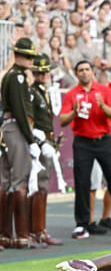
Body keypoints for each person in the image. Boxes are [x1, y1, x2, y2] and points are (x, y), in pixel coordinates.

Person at [59, 61, 111, 243]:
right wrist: (74, 112)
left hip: (104, 140)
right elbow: (62, 120)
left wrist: (103, 107)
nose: (84, 73)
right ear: (77, 74)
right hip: (83, 141)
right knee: (82, 183)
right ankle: (82, 223)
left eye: (87, 69)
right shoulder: (72, 94)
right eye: (81, 70)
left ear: (92, 72)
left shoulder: (104, 90)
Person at [0, 37, 40, 249]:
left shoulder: (12, 76)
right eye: (29, 56)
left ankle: (6, 234)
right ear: (19, 55)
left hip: (9, 127)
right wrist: (30, 138)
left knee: (5, 181)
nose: (31, 60)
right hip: (16, 128)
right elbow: (20, 111)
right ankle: (21, 234)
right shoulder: (17, 78)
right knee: (19, 181)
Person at [28, 54, 63, 246]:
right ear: (34, 73)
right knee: (38, 186)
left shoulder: (43, 91)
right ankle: (37, 230)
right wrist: (38, 142)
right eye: (40, 72)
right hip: (39, 142)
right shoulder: (32, 92)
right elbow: (30, 120)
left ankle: (39, 229)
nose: (44, 75)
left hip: (47, 141)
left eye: (46, 71)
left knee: (43, 187)